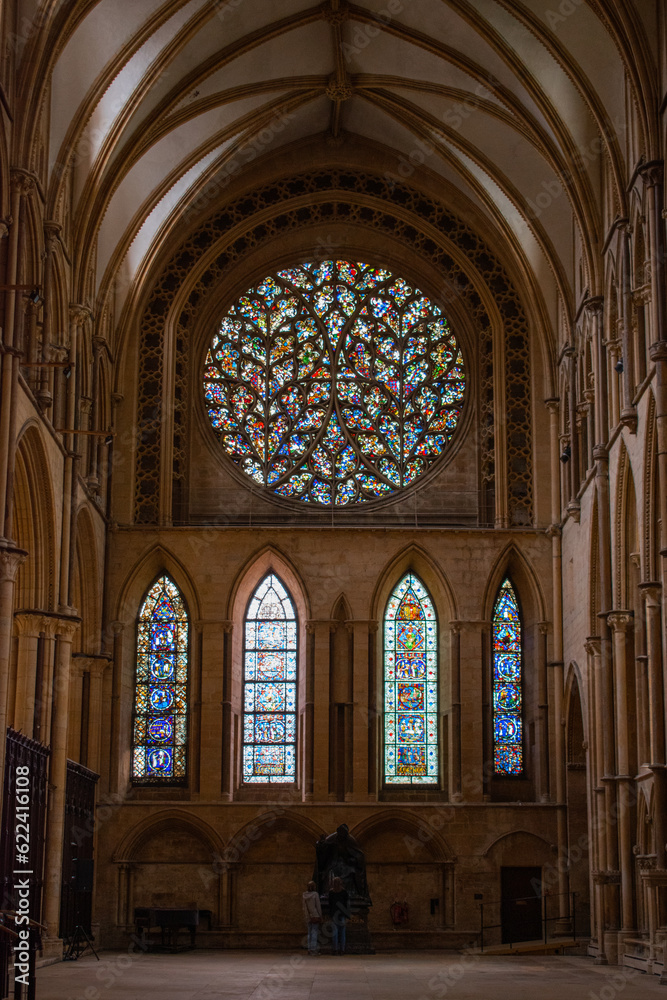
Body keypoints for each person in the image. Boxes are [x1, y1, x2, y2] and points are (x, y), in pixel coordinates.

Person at [328, 876, 350, 955]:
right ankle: (342, 949)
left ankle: (335, 949)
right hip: (342, 914)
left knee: (335, 933)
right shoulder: (344, 892)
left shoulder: (331, 892)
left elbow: (330, 904)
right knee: (342, 933)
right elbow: (347, 904)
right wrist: (347, 915)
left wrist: (330, 914)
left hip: (334, 914)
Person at [302, 880, 322, 955]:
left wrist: (307, 916)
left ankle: (309, 949)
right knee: (314, 933)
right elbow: (318, 906)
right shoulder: (315, 894)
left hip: (308, 916)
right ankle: (314, 949)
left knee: (309, 933)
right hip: (315, 915)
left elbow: (304, 907)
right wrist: (320, 915)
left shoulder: (304, 895)